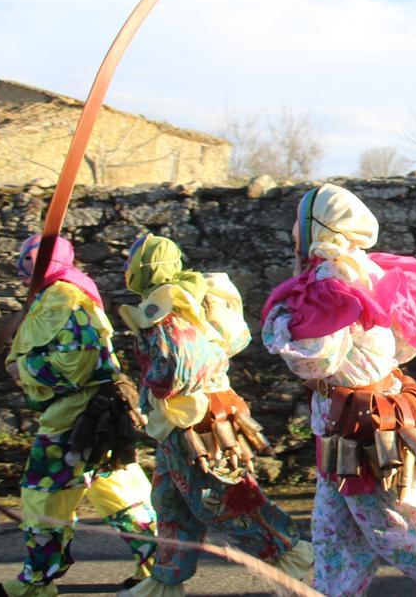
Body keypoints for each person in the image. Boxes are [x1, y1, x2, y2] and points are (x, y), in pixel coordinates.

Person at [262, 183, 416, 597]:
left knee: (403, 523)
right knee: (336, 529)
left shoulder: (331, 279)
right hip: (345, 420)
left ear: (318, 227)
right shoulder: (371, 269)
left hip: (362, 426)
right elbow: (411, 340)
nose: (293, 233)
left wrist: (282, 325)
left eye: (299, 223)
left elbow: (313, 358)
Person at [118, 234, 312, 597]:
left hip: (193, 424)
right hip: (181, 423)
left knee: (222, 499)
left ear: (147, 266)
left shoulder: (165, 305)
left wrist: (153, 387)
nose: (126, 268)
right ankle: (166, 582)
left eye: (131, 261)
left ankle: (292, 557)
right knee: (170, 503)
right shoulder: (184, 296)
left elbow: (181, 368)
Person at [0, 235, 157, 597]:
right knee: (118, 488)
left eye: (28, 263)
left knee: (43, 494)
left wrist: (26, 370)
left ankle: (36, 582)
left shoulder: (64, 297)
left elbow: (77, 360)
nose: (22, 272)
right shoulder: (66, 294)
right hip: (101, 412)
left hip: (76, 419)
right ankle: (158, 567)